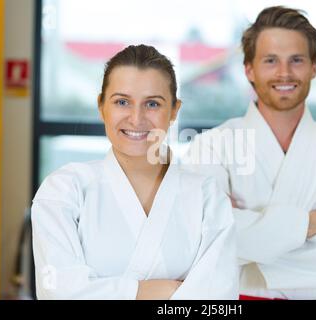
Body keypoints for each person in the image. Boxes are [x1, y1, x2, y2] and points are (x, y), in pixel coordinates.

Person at [183, 6, 316, 300]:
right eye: (271, 60)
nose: (284, 73)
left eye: (297, 60)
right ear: (249, 68)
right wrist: (309, 225)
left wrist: (247, 249)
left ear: (315, 66)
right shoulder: (212, 147)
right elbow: (203, 244)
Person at [31, 45, 239, 300]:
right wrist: (160, 291)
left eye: (152, 103)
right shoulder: (64, 190)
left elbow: (218, 299)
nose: (136, 118)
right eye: (122, 102)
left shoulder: (206, 195)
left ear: (174, 110)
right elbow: (58, 292)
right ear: (101, 106)